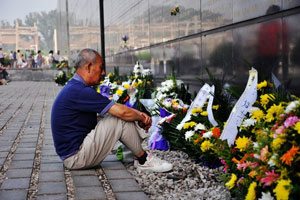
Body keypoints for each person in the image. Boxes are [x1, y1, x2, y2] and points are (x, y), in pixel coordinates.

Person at [51, 48, 173, 172]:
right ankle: (143, 160)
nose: (103, 72)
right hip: (76, 158)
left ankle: (135, 154)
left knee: (115, 116)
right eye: (100, 67)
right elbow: (122, 112)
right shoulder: (79, 91)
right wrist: (142, 117)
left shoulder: (75, 87)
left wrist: (137, 115)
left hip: (73, 155)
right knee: (118, 118)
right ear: (88, 67)